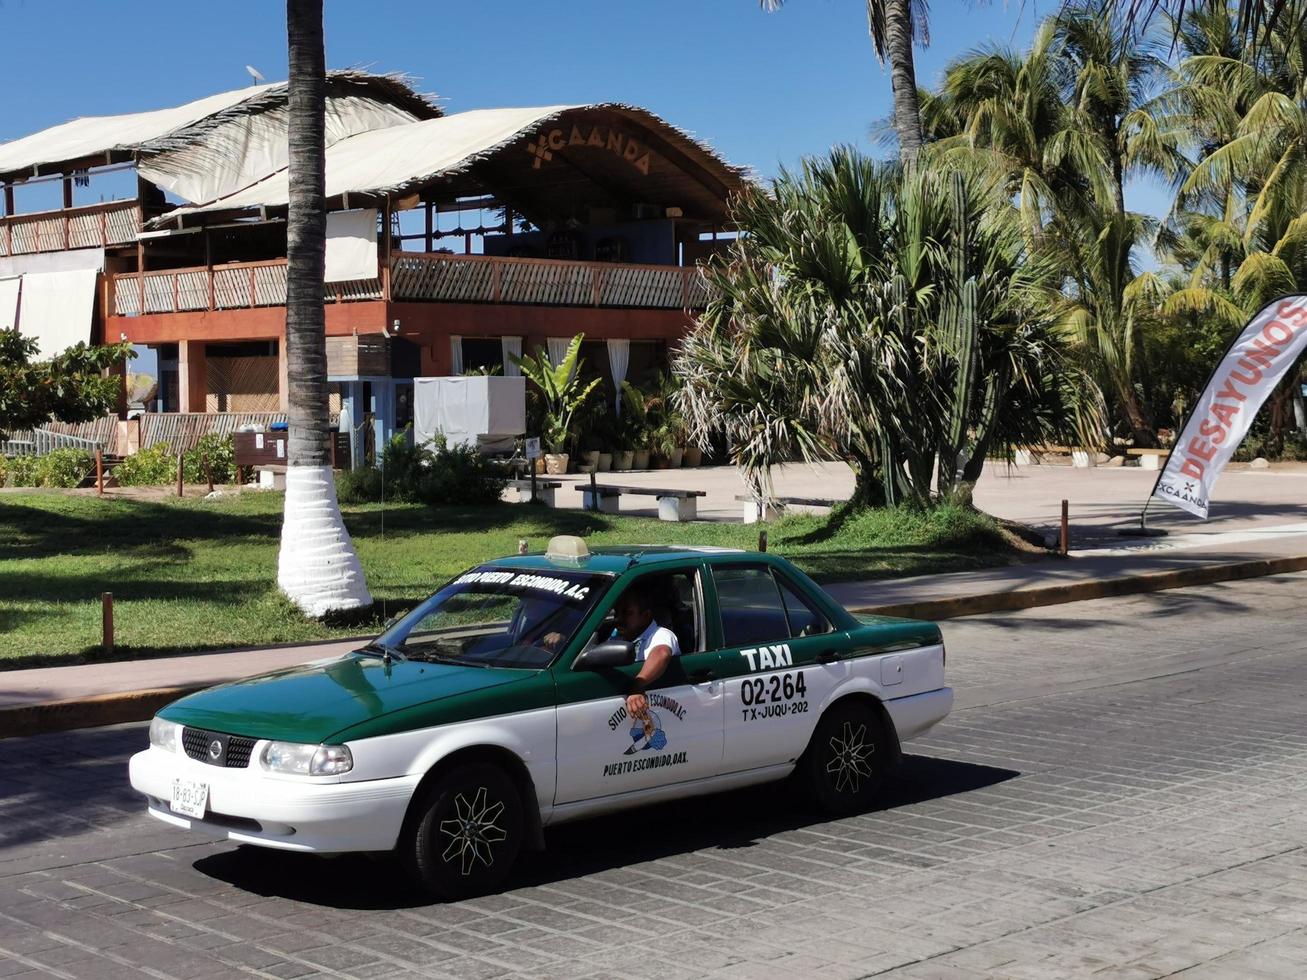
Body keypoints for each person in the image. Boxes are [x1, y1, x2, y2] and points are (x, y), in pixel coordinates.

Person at [612, 583, 680, 720]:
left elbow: (661, 653)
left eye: (627, 613)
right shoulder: (618, 635)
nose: (618, 618)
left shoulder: (661, 635)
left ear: (645, 616)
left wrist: (638, 685)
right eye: (616, 612)